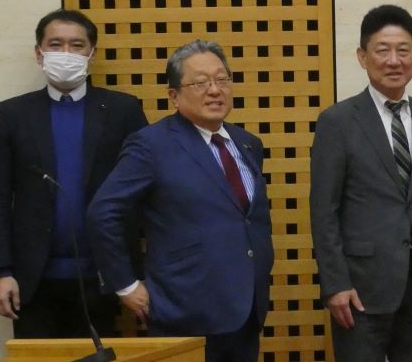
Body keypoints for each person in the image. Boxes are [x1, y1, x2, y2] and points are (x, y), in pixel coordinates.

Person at [87, 39, 273, 362]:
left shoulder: (247, 144)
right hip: (186, 311)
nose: (214, 90)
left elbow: (244, 219)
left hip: (246, 311)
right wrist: (126, 285)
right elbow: (103, 212)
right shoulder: (151, 145)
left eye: (222, 79)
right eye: (200, 83)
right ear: (174, 96)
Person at [0, 8, 147, 338]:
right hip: (33, 281)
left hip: (105, 279)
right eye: (55, 44)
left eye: (76, 45)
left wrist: (139, 274)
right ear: (39, 53)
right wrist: (2, 271)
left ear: (92, 53)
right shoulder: (14, 114)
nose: (66, 54)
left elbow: (147, 194)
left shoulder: (123, 110)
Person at [309, 4, 412, 362]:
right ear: (362, 56)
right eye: (382, 50)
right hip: (360, 288)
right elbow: (323, 211)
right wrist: (335, 284)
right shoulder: (337, 121)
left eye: (403, 50)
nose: (394, 60)